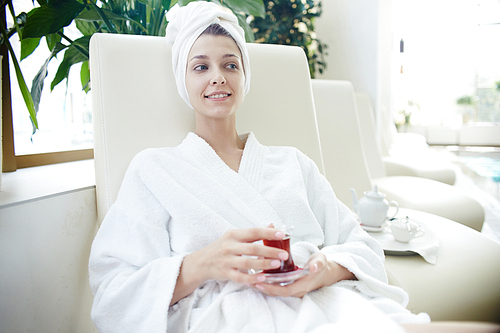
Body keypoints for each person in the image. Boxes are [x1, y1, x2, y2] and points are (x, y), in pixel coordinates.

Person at [88, 2, 430, 332]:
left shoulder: (293, 163)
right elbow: (113, 295)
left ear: (244, 75)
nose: (218, 78)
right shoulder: (154, 170)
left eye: (230, 65)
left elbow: (362, 248)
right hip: (233, 318)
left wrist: (321, 270)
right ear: (183, 79)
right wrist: (200, 264)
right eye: (201, 66)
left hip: (328, 302)